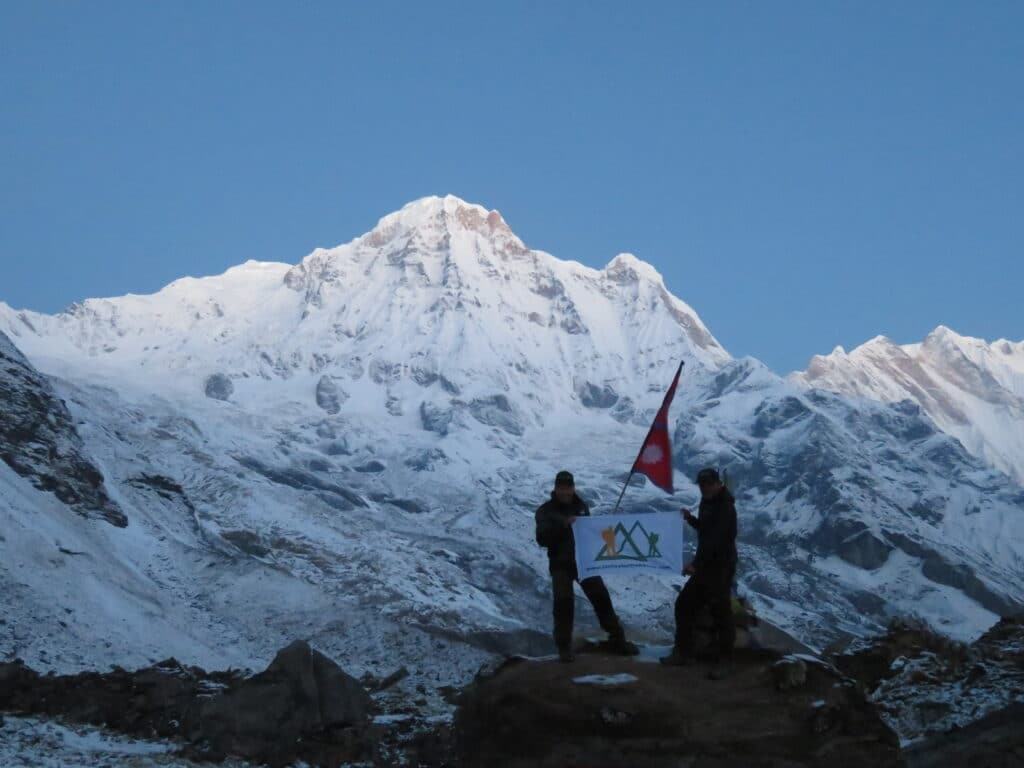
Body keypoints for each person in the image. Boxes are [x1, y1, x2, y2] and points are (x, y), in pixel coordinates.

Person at [535, 470, 638, 662]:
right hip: (560, 564)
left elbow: (589, 534)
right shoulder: (545, 511)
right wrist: (563, 525)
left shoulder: (582, 506)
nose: (565, 491)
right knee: (563, 604)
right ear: (556, 488)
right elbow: (542, 538)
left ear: (573, 488)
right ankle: (564, 648)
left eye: (568, 488)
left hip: (584, 562)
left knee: (601, 597)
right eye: (561, 488)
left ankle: (617, 639)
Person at [660, 468, 738, 678]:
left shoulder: (725, 507)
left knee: (721, 612)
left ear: (718, 483)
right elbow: (706, 529)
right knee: (684, 604)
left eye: (708, 484)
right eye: (702, 485)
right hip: (707, 567)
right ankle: (684, 653)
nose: (705, 488)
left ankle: (726, 661)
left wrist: (695, 564)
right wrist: (690, 519)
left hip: (720, 567)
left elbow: (716, 541)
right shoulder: (708, 502)